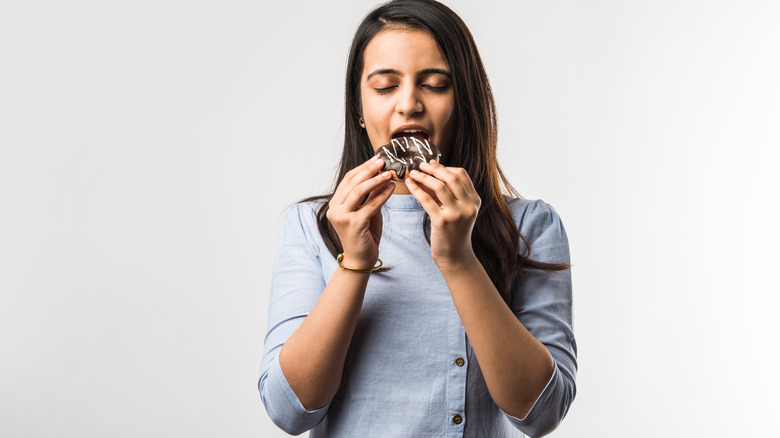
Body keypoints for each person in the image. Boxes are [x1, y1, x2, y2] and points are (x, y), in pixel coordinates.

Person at [258, 1, 576, 436]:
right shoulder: (311, 225)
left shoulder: (529, 226)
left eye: (434, 85)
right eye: (386, 86)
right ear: (358, 107)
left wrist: (460, 260)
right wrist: (353, 261)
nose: (409, 104)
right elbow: (288, 412)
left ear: (464, 101)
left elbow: (541, 415)